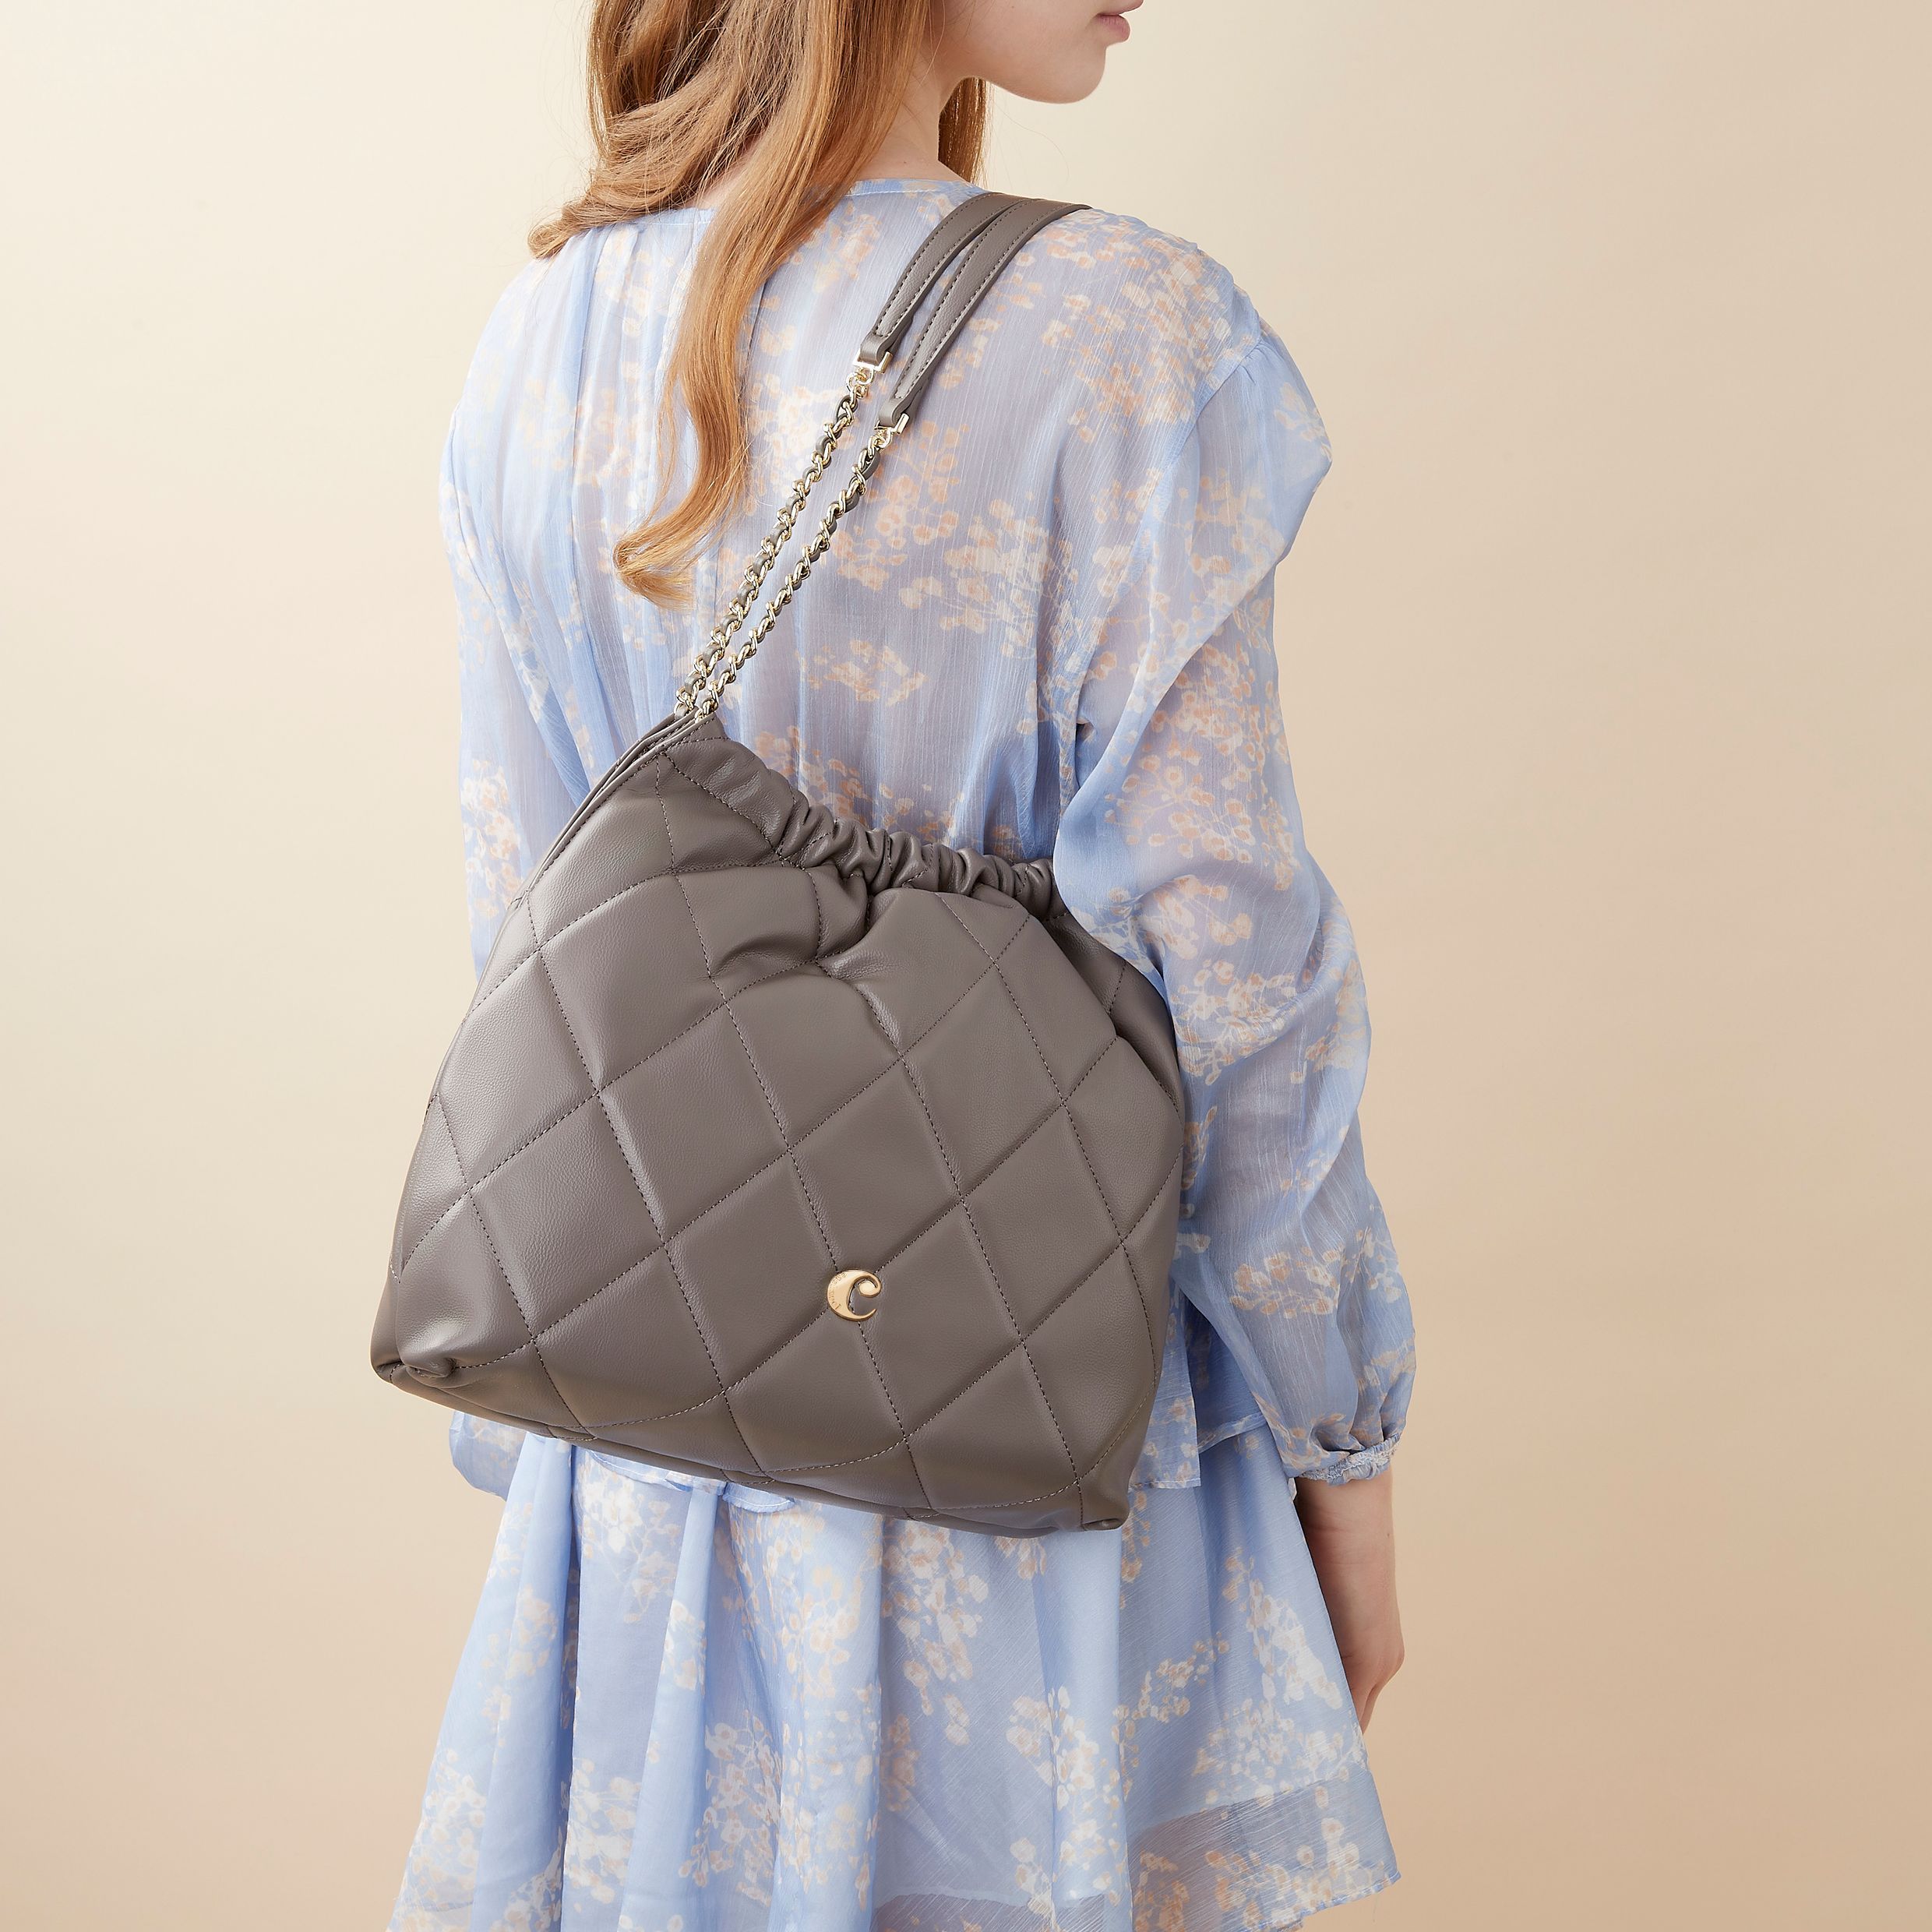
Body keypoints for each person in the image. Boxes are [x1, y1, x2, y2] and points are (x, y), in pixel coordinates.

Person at [389, 3, 1416, 1926]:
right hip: (1022, 1433)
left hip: (646, 1457)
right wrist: (1338, 1433)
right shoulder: (1123, 333)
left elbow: (534, 930)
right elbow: (1235, 966)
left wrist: (562, 1414)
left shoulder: (540, 336)